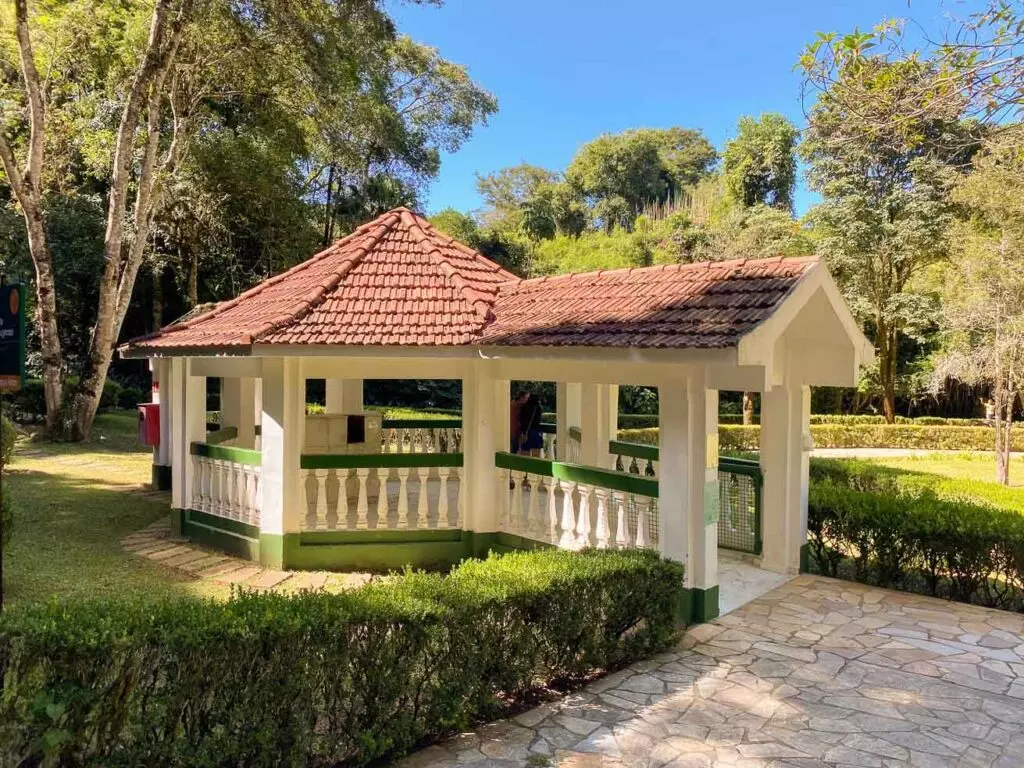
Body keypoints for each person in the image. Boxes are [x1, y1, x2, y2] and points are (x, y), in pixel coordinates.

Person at [518, 393, 544, 457]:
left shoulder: (524, 407)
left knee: (525, 456)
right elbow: (539, 420)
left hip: (525, 433)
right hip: (535, 432)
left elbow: (521, 421)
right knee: (536, 456)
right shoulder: (538, 408)